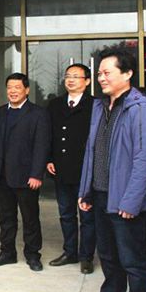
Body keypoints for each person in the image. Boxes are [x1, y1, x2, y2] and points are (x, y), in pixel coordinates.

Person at [77, 48, 146, 292]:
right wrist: (86, 190)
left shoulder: (141, 109)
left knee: (133, 261)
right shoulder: (99, 106)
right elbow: (92, 152)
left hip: (125, 200)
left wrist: (132, 201)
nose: (101, 78)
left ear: (127, 74)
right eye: (99, 73)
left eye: (107, 72)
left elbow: (145, 159)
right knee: (108, 257)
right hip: (101, 195)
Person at [0, 73, 50, 272]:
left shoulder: (38, 114)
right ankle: (7, 253)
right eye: (10, 87)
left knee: (30, 218)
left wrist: (37, 174)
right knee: (6, 219)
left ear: (26, 90)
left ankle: (33, 255)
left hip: (26, 177)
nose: (13, 91)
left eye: (17, 87)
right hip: (1, 176)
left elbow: (42, 146)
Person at [46, 63, 96, 274]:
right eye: (68, 76)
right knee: (66, 214)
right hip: (61, 169)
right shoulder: (55, 104)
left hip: (86, 170)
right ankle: (70, 252)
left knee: (87, 217)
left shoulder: (95, 105)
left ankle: (86, 257)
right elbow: (49, 134)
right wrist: (49, 158)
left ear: (87, 81)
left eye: (76, 76)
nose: (71, 80)